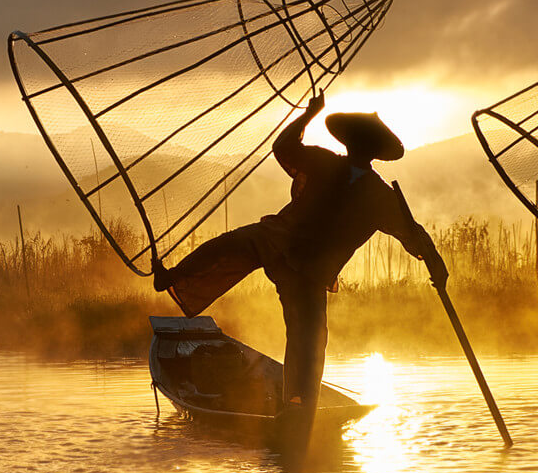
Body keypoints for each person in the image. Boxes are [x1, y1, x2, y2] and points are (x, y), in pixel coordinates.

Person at [152, 93, 445, 451]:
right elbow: (285, 146)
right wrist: (308, 115)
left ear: (369, 151)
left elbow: (414, 235)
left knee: (309, 340)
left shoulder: (379, 196)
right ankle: (172, 276)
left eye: (362, 145)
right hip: (279, 239)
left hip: (310, 270)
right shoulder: (324, 163)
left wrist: (437, 267)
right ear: (352, 144)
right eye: (357, 143)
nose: (357, 149)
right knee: (227, 246)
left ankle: (297, 407)